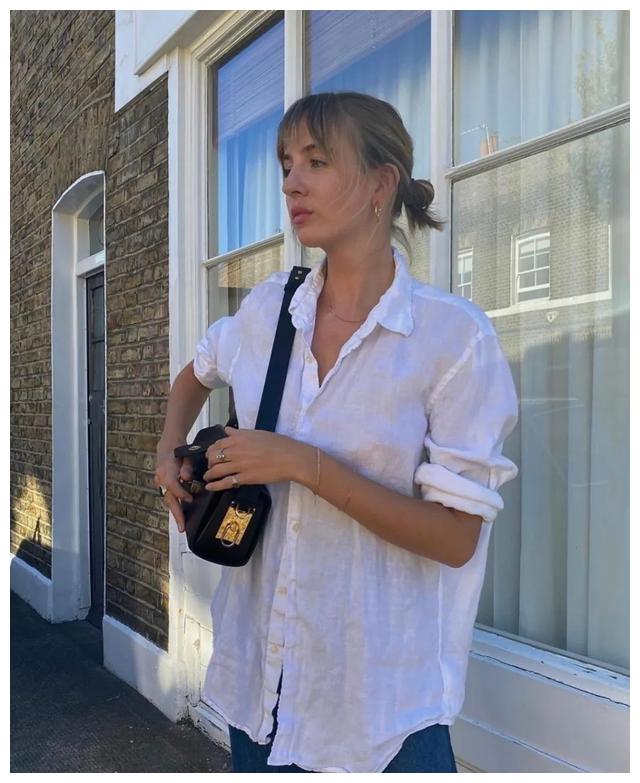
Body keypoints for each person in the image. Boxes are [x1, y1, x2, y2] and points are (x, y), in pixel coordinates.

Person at [154, 91, 519, 773]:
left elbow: (455, 537)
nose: (291, 182)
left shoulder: (451, 339)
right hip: (259, 693)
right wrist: (165, 452)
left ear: (381, 183)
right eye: (286, 164)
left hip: (380, 714)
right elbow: (195, 374)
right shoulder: (268, 309)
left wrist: (302, 463)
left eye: (316, 161)